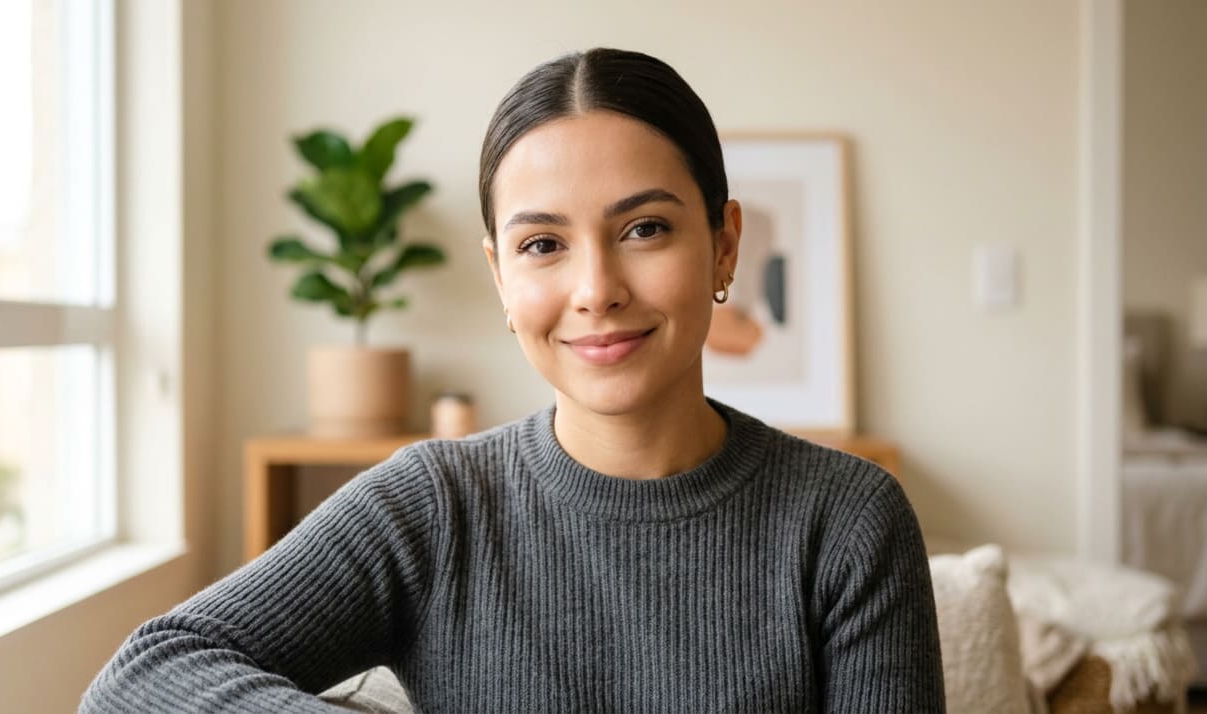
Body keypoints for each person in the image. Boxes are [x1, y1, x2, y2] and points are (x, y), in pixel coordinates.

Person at [82, 48, 945, 713]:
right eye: (543, 245)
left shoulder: (849, 520)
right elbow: (143, 676)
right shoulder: (432, 505)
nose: (596, 289)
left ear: (723, 244)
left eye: (644, 228)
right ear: (501, 277)